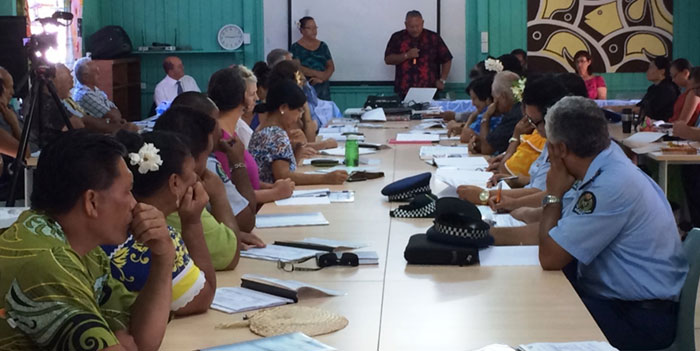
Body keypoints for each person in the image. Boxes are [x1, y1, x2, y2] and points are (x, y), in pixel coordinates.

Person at [0, 129, 174, 351]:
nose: (135, 205)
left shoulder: (86, 250)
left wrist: (164, 256)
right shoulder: (47, 264)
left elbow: (141, 341)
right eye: (128, 191)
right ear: (91, 202)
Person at [539, 96, 688, 349]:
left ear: (560, 149)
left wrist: (552, 195)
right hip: (626, 303)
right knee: (540, 302)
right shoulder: (608, 161)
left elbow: (550, 258)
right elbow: (561, 232)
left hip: (639, 318)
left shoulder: (610, 184)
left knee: (541, 319)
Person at [103, 130, 215, 316]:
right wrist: (192, 222)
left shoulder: (107, 228)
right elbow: (203, 297)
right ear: (174, 183)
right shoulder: (154, 236)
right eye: (191, 173)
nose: (196, 179)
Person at [249, 79, 347, 185]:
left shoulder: (261, 128)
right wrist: (325, 178)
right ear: (283, 108)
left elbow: (286, 168)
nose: (300, 116)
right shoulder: (277, 134)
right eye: (299, 110)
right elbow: (283, 176)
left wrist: (298, 147)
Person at [384, 10, 453, 98]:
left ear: (423, 23)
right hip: (404, 89)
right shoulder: (397, 37)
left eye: (418, 26)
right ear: (405, 24)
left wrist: (442, 80)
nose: (415, 29)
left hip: (429, 88)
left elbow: (447, 59)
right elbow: (388, 59)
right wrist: (406, 55)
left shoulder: (433, 38)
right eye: (411, 27)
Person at [58, 63, 135, 134]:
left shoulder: (68, 99)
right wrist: (119, 129)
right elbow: (85, 122)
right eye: (69, 74)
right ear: (86, 77)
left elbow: (113, 112)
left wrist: (112, 122)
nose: (72, 77)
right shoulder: (84, 95)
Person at [29, 64, 85, 152]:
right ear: (53, 80)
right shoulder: (46, 101)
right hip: (50, 152)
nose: (72, 84)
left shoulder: (37, 97)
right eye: (69, 77)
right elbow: (77, 125)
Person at [469, 71, 521, 155]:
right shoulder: (516, 110)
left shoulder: (513, 116)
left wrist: (486, 117)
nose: (494, 103)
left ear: (503, 96)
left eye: (494, 98)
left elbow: (487, 149)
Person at [290, 16, 335, 100]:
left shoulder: (323, 46)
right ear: (302, 30)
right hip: (305, 89)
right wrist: (316, 75)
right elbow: (297, 69)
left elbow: (331, 67)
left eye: (315, 28)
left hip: (323, 89)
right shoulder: (295, 48)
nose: (314, 31)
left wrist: (322, 78)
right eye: (310, 28)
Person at [72, 57, 127, 123]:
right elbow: (113, 116)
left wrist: (114, 115)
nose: (99, 74)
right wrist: (114, 115)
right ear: (85, 77)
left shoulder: (94, 89)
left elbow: (115, 110)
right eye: (96, 72)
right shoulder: (84, 95)